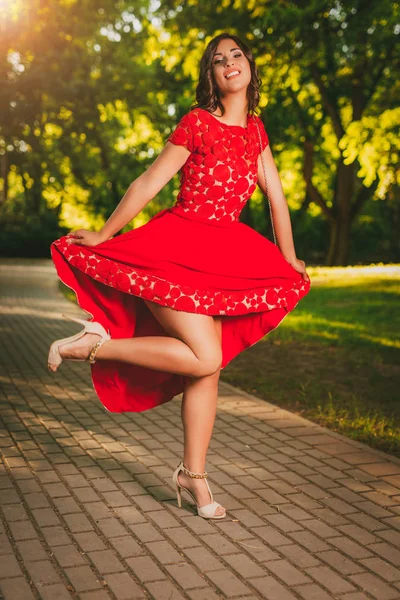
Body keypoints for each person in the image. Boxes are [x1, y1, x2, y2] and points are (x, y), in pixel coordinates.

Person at [48, 32, 311, 520]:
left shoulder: (255, 130)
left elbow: (276, 197)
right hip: (172, 251)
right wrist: (107, 233)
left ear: (249, 66)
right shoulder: (197, 123)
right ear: (211, 76)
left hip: (222, 258)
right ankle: (92, 345)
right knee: (206, 355)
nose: (229, 63)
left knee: (207, 367)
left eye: (236, 55)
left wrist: (288, 257)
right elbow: (150, 180)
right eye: (218, 60)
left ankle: (193, 477)